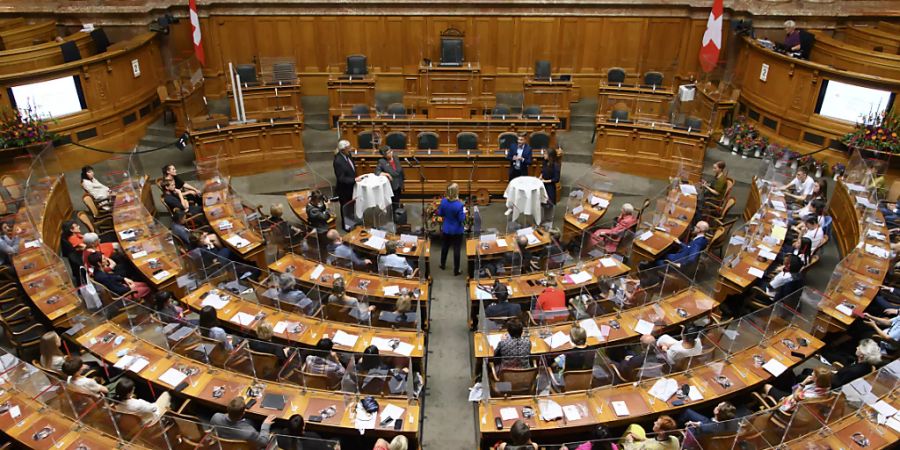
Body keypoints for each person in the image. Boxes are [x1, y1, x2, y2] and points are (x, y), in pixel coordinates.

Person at [209, 396, 275, 448]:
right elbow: (264, 443)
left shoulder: (216, 417)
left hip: (222, 445)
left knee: (250, 421)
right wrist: (265, 425)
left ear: (227, 409)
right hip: (242, 447)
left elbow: (212, 430)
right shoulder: (250, 432)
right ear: (243, 413)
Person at [765, 367, 833, 414]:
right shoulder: (826, 388)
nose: (811, 374)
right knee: (788, 373)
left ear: (818, 380)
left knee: (766, 386)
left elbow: (795, 395)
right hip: (799, 401)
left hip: (790, 405)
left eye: (813, 374)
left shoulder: (809, 395)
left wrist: (804, 382)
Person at [333, 140, 363, 231]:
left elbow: (352, 168)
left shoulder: (348, 155)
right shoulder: (338, 161)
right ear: (343, 149)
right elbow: (341, 178)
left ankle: (351, 222)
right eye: (348, 148)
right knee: (346, 208)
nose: (350, 149)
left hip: (351, 187)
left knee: (351, 207)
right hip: (344, 190)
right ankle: (347, 227)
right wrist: (354, 180)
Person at [437, 183, 466, 276]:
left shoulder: (444, 201)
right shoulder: (459, 205)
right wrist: (464, 212)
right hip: (457, 231)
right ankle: (456, 270)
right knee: (456, 249)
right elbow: (461, 219)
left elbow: (440, 213)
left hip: (446, 229)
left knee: (445, 247)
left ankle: (442, 264)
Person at [306, 190, 333, 259]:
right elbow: (325, 217)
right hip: (320, 230)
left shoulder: (311, 204)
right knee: (323, 245)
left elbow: (319, 209)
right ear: (315, 199)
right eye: (319, 200)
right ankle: (324, 258)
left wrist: (324, 205)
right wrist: (327, 208)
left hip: (320, 227)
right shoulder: (312, 210)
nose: (319, 202)